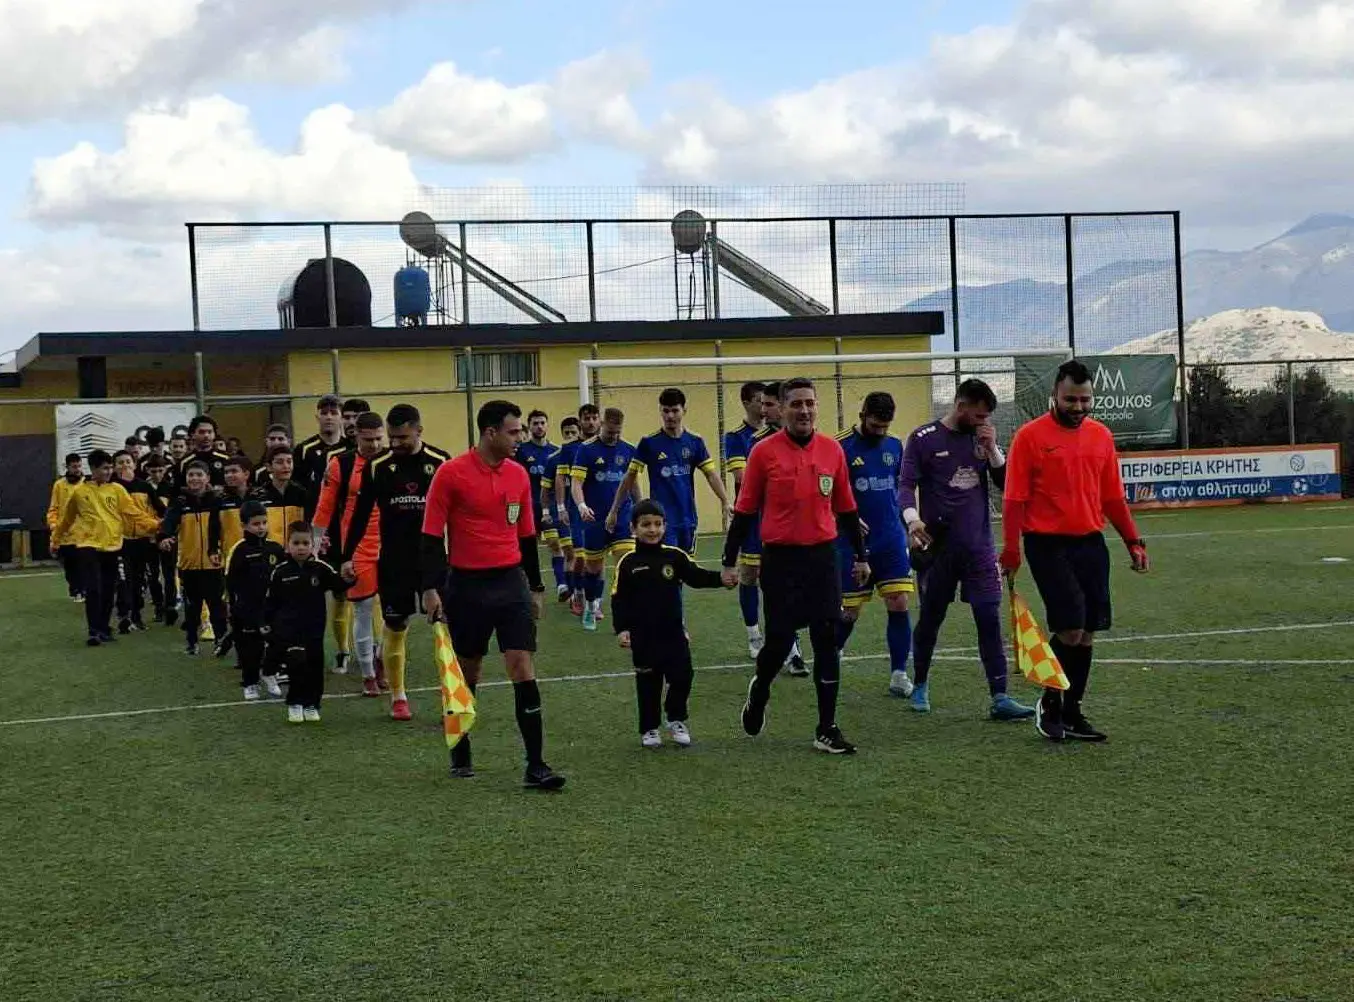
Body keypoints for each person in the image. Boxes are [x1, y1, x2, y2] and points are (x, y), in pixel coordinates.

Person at [1000, 359, 1150, 742]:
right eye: (1071, 400)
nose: (1078, 407)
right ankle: (1050, 703)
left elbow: (1112, 496)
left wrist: (1133, 541)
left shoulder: (1101, 436)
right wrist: (1011, 549)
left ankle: (1072, 712)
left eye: (1085, 400)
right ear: (1054, 394)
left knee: (1087, 633)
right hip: (1046, 544)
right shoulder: (1029, 437)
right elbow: (1014, 499)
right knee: (1070, 628)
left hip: (1090, 542)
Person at [420, 399, 564, 790]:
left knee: (522, 665)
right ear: (490, 432)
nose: (520, 438)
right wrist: (430, 589)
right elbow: (431, 536)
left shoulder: (518, 474)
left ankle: (536, 765)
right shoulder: (451, 474)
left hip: (510, 583)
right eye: (513, 432)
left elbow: (527, 535)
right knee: (468, 672)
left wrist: (536, 586)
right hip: (466, 586)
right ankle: (460, 748)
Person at [721, 377, 866, 755]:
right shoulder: (763, 453)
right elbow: (744, 511)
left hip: (823, 558)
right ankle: (761, 688)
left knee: (826, 639)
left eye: (809, 403)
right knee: (780, 641)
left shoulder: (832, 451)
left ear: (817, 407)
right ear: (782, 409)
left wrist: (861, 556)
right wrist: (728, 561)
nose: (804, 410)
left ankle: (826, 728)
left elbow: (847, 508)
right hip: (781, 560)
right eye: (796, 404)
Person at [901, 379, 1035, 721]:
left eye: (986, 417)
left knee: (989, 618)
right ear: (960, 407)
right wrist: (912, 520)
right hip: (938, 551)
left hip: (979, 549)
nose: (983, 422)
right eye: (978, 416)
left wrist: (993, 450)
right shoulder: (923, 438)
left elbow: (1007, 484)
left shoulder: (983, 440)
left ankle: (1000, 696)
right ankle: (920, 684)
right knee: (931, 619)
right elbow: (906, 485)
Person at [344, 404, 450, 720]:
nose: (395, 443)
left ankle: (451, 695)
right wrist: (347, 555)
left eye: (402, 437)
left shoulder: (440, 462)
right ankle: (398, 696)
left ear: (419, 431)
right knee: (396, 625)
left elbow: (456, 513)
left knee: (443, 627)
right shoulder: (377, 466)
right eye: (392, 437)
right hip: (394, 561)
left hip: (433, 560)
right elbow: (361, 514)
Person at [612, 499, 732, 749]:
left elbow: (696, 576)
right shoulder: (628, 562)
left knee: (683, 676)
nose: (652, 530)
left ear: (665, 526)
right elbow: (619, 599)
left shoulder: (674, 556)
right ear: (633, 528)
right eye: (646, 525)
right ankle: (649, 728)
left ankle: (676, 718)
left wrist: (721, 579)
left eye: (658, 524)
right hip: (643, 636)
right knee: (649, 683)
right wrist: (622, 629)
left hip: (674, 632)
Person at [833, 393, 918, 699]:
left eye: (885, 426)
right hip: (851, 544)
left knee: (899, 601)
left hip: (890, 539)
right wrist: (845, 518)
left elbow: (902, 489)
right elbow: (823, 492)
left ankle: (899, 674)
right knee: (849, 611)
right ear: (862, 416)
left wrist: (910, 525)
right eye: (874, 425)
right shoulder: (839, 447)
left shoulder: (895, 446)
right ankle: (833, 653)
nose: (880, 431)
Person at [606, 387, 729, 555]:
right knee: (667, 563)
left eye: (675, 411)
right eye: (666, 411)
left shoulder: (695, 442)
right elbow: (630, 477)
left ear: (684, 410)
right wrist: (614, 510)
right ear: (660, 411)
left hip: (688, 518)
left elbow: (711, 474)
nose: (670, 416)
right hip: (661, 520)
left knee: (685, 564)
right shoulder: (649, 442)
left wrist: (725, 501)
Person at [314, 412, 385, 689]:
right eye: (368, 440)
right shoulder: (340, 464)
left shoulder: (392, 462)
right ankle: (368, 674)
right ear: (356, 437)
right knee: (363, 608)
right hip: (357, 548)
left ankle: (383, 660)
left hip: (392, 546)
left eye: (379, 439)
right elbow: (325, 506)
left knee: (393, 612)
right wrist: (316, 542)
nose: (375, 445)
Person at [265, 522, 353, 724]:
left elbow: (338, 584)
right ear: (288, 545)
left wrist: (349, 579)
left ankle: (312, 704)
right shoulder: (280, 572)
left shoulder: (320, 569)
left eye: (306, 543)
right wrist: (268, 623)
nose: (301, 548)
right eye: (296, 543)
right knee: (296, 664)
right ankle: (295, 703)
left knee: (314, 667)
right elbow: (271, 601)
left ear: (313, 545)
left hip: (314, 629)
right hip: (290, 630)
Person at [56, 450, 141, 647]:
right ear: (93, 469)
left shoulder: (117, 490)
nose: (109, 471)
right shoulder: (80, 492)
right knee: (93, 588)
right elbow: (67, 519)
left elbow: (133, 513)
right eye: (105, 468)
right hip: (88, 545)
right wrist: (56, 539)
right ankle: (93, 631)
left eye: (110, 467)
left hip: (112, 545)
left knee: (109, 589)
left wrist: (156, 525)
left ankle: (103, 627)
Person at [571, 406, 639, 631]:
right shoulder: (586, 450)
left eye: (618, 432)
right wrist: (581, 505)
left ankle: (626, 616)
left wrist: (640, 509)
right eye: (610, 432)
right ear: (602, 424)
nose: (614, 436)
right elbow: (576, 483)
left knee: (626, 565)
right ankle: (591, 605)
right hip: (595, 519)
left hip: (622, 517)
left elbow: (632, 483)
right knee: (593, 569)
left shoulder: (629, 449)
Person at [159, 461, 228, 656]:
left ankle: (220, 640)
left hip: (214, 563)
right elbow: (168, 523)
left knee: (217, 605)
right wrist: (164, 537)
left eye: (199, 474)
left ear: (207, 478)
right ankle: (191, 641)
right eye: (191, 475)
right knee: (192, 607)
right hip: (188, 563)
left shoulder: (217, 501)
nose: (195, 478)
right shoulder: (180, 502)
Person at [226, 500, 286, 701]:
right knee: (251, 649)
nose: (261, 528)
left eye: (264, 523)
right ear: (244, 525)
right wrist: (232, 607)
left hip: (272, 608)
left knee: (277, 643)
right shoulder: (239, 550)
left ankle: (269, 674)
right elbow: (230, 581)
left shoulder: (275, 548)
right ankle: (250, 683)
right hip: (248, 609)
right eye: (256, 524)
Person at [723, 381, 766, 656]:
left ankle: (791, 646)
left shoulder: (781, 435)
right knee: (749, 576)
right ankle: (754, 635)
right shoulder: (736, 437)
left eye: (768, 401)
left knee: (783, 578)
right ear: (746, 403)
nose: (764, 406)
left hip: (781, 516)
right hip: (751, 519)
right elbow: (742, 477)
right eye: (760, 401)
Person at [112, 449, 164, 634]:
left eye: (128, 461)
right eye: (120, 462)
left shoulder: (144, 486)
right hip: (120, 541)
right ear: (114, 467)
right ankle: (123, 616)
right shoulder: (112, 487)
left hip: (143, 540)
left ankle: (137, 616)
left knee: (139, 580)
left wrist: (159, 528)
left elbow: (160, 508)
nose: (125, 465)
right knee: (123, 580)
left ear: (134, 464)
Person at [555, 403, 600, 615]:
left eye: (594, 418)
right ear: (580, 421)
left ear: (599, 420)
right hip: (577, 511)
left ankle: (595, 601)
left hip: (600, 510)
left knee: (597, 559)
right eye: (586, 418)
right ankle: (578, 592)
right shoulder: (569, 449)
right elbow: (561, 478)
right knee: (580, 557)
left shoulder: (605, 445)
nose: (590, 422)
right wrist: (561, 507)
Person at [517, 410, 565, 600]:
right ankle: (530, 584)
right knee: (529, 547)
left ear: (547, 425)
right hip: (528, 507)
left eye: (542, 423)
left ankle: (561, 584)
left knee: (555, 543)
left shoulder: (556, 452)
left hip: (549, 507)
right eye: (535, 423)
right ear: (529, 426)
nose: (539, 426)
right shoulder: (521, 451)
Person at [540, 416, 581, 603]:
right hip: (560, 511)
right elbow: (545, 489)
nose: (570, 436)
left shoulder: (585, 455)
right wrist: (546, 512)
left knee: (577, 553)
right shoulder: (554, 458)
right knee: (564, 549)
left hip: (580, 513)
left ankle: (573, 588)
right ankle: (564, 586)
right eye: (567, 433)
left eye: (573, 432)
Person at [294, 395, 348, 517]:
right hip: (314, 514)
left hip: (343, 514)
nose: (329, 417)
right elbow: (296, 484)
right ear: (317, 417)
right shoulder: (303, 449)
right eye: (324, 413)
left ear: (341, 418)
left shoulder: (350, 448)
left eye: (334, 413)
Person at [143, 454, 179, 624]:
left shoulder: (171, 489)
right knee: (153, 574)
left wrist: (170, 532)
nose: (157, 474)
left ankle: (170, 606)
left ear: (165, 470)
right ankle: (158, 607)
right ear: (147, 470)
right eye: (153, 471)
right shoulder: (143, 488)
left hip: (167, 536)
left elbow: (175, 513)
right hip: (149, 536)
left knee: (169, 573)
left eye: (160, 470)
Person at [47, 452, 86, 602]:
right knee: (70, 566)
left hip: (84, 534)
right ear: (67, 467)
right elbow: (54, 508)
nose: (77, 470)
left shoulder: (87, 483)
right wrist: (54, 525)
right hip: (65, 534)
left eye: (79, 466)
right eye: (74, 467)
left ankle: (81, 590)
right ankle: (74, 589)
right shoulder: (59, 485)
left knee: (83, 564)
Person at [252, 445, 309, 546]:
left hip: (296, 550)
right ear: (269, 467)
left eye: (289, 461)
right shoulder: (258, 496)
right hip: (268, 550)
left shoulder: (302, 493)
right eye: (280, 462)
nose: (286, 466)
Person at [179, 415, 230, 487]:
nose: (206, 435)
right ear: (192, 434)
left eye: (209, 432)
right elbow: (179, 487)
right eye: (201, 432)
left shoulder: (226, 458)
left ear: (214, 434)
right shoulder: (184, 462)